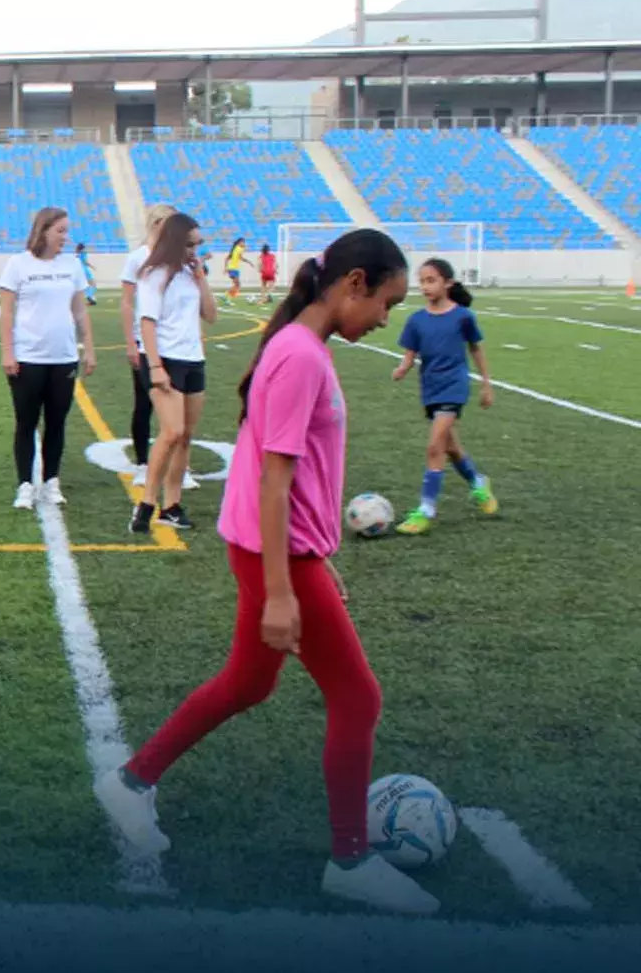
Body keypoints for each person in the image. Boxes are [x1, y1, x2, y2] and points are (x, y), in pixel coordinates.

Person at [95, 229, 440, 916]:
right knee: (358, 699)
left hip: (285, 551)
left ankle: (131, 784)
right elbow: (273, 481)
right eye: (387, 302)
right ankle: (350, 859)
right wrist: (283, 591)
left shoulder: (301, 349)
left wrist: (317, 562)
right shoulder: (300, 356)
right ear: (355, 284)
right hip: (271, 553)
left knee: (248, 683)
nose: (383, 319)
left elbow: (286, 473)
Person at [0, 207, 96, 510]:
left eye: (66, 231)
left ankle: (52, 480)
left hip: (63, 357)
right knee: (26, 422)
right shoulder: (18, 264)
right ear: (44, 230)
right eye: (60, 231)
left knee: (57, 423)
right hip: (27, 356)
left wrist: (88, 347)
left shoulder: (72, 266)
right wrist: (7, 352)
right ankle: (25, 484)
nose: (65, 237)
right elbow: (8, 312)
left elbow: (79, 310)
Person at [392, 257, 497, 535]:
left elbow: (476, 349)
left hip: (454, 386)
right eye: (422, 281)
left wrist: (487, 384)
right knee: (451, 448)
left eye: (431, 280)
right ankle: (478, 483)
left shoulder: (462, 316)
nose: (425, 286)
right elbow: (410, 352)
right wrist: (403, 368)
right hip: (430, 389)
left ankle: (426, 510)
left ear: (447, 283)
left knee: (434, 447)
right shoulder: (417, 320)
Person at [129, 213, 218, 534]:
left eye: (198, 244)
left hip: (192, 358)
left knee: (185, 436)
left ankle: (172, 505)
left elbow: (211, 315)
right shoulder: (154, 274)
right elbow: (147, 322)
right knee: (171, 432)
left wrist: (201, 279)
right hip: (164, 358)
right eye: (189, 244)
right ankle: (146, 504)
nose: (195, 250)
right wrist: (154, 366)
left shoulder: (190, 273)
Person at [121, 204, 177, 489]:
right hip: (146, 341)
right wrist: (131, 342)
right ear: (155, 224)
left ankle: (180, 465)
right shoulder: (137, 258)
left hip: (175, 344)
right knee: (144, 403)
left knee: (179, 406)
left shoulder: (178, 258)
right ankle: (143, 462)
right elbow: (128, 301)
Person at [223, 237, 253, 304]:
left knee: (237, 285)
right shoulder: (239, 249)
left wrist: (225, 268)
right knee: (237, 285)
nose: (244, 243)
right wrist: (249, 262)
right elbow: (241, 258)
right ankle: (227, 298)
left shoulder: (234, 248)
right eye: (243, 242)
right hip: (233, 269)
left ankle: (226, 296)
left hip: (234, 269)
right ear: (239, 242)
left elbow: (226, 258)